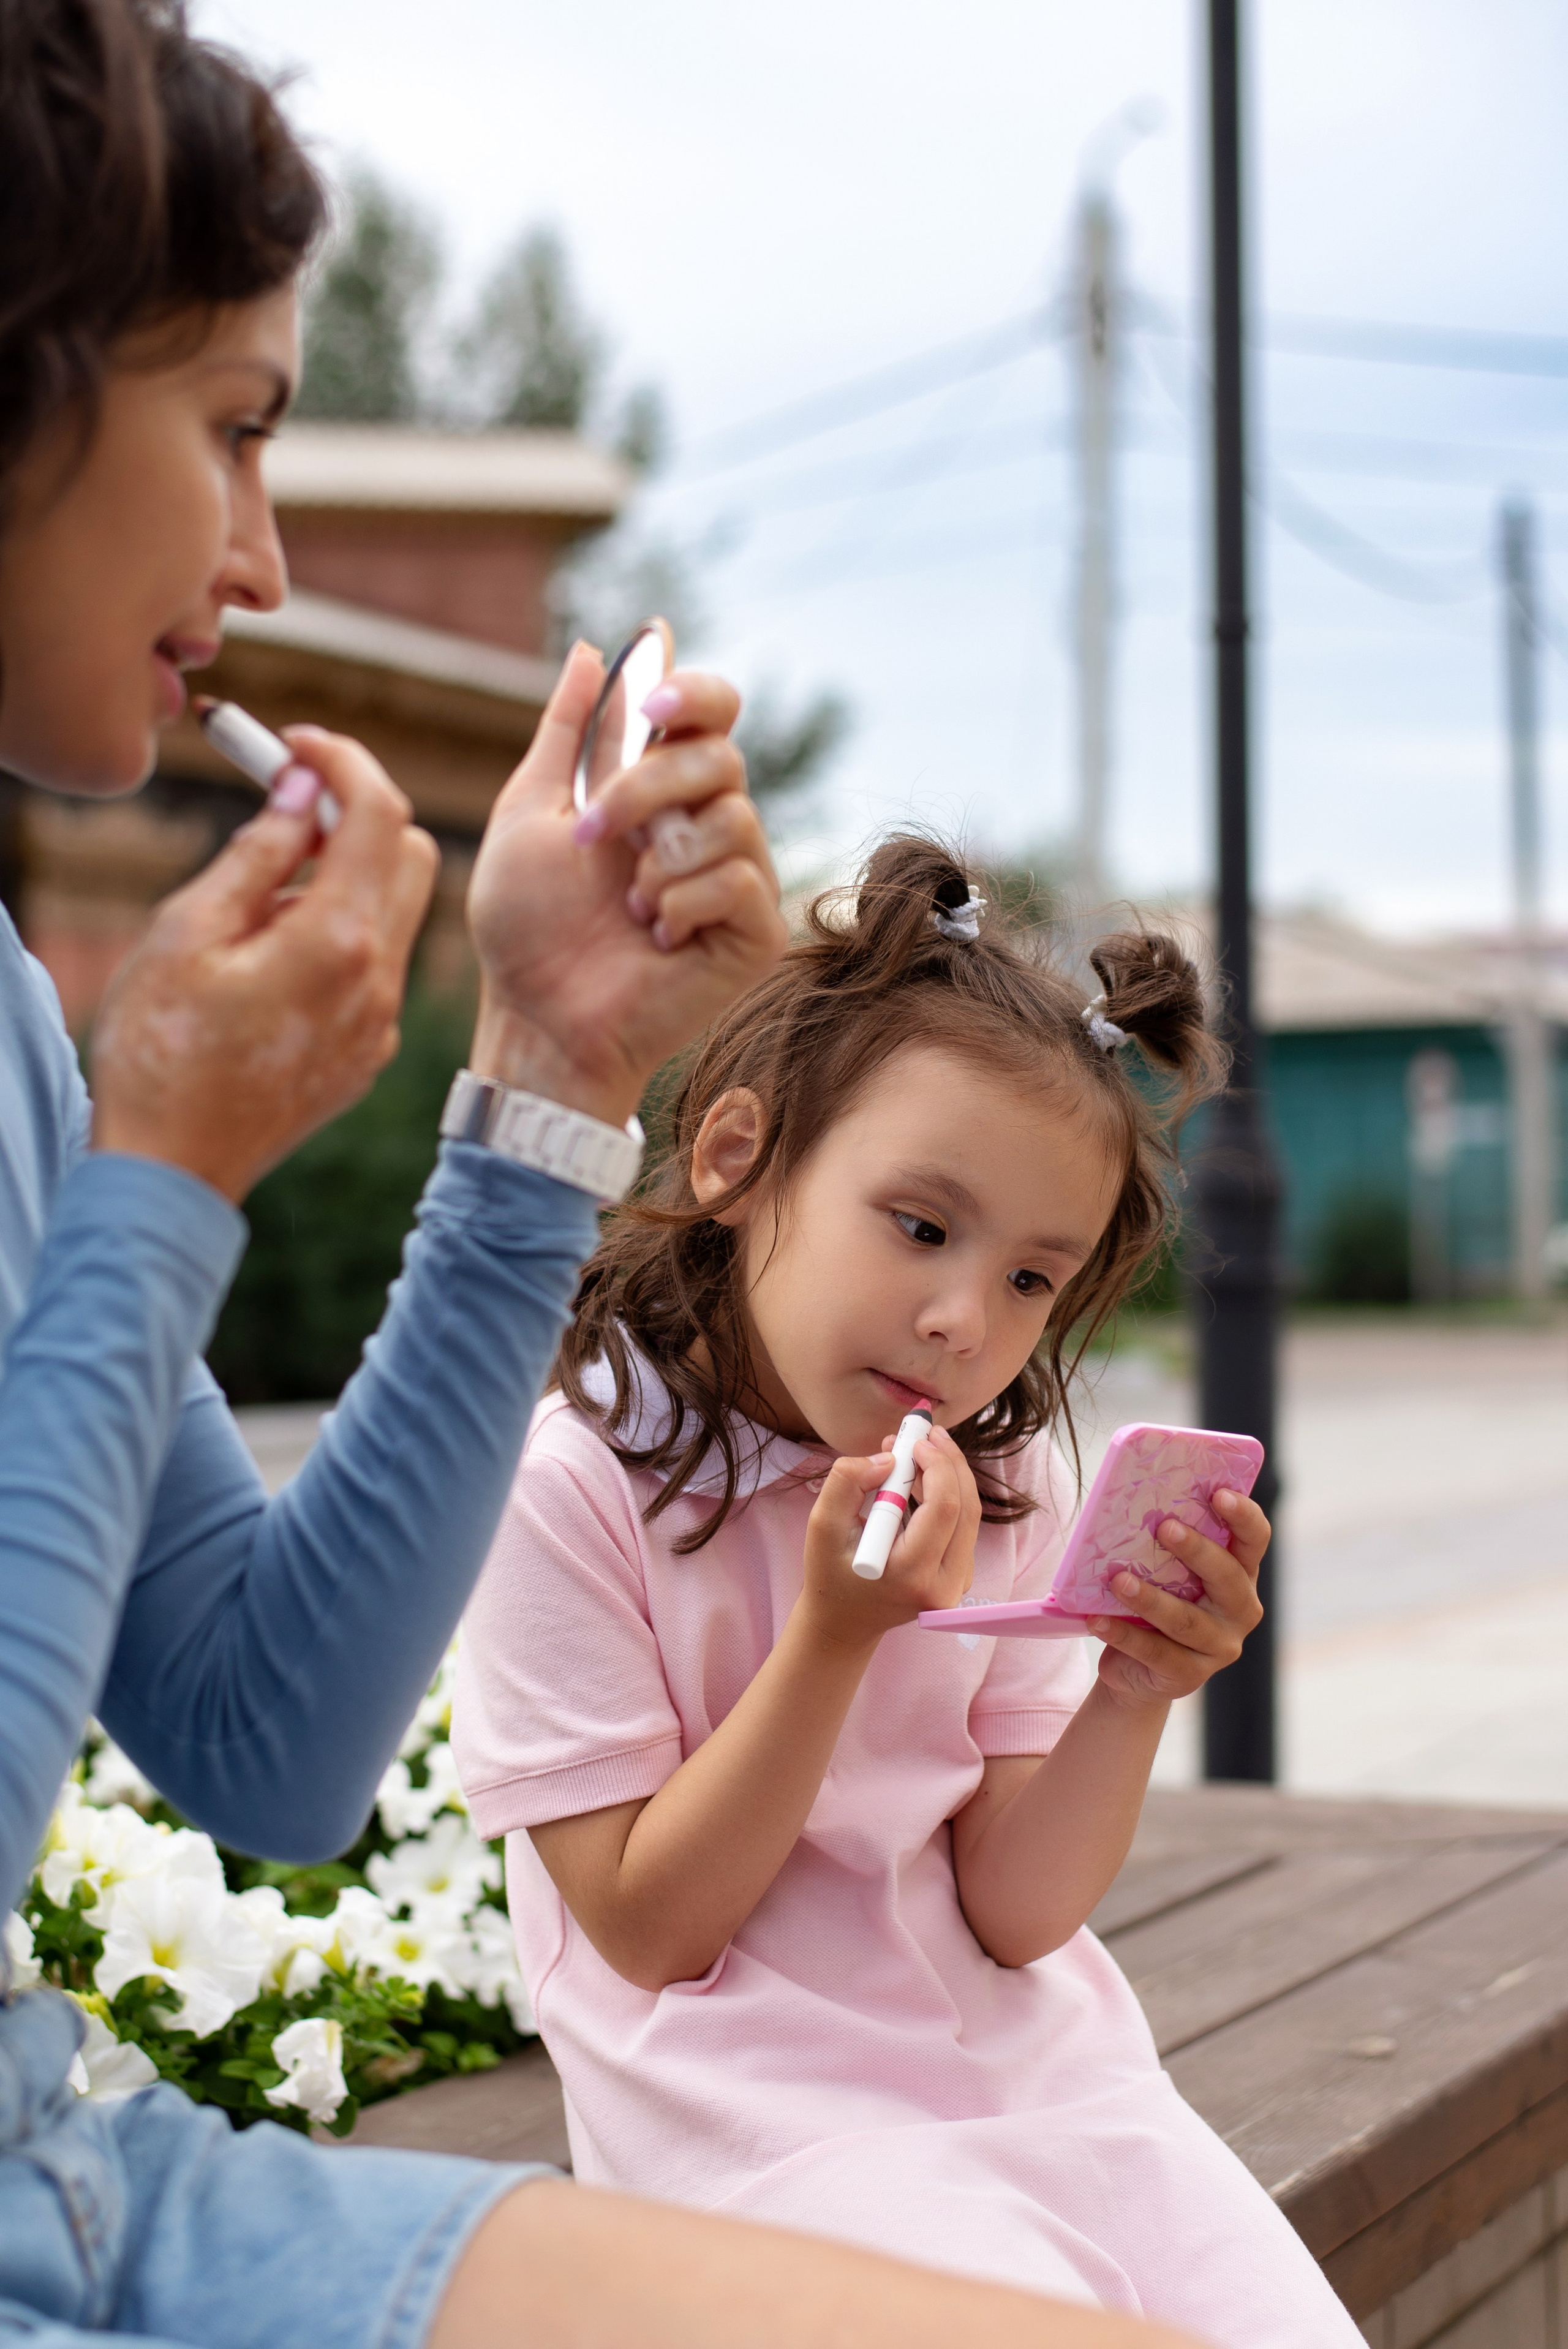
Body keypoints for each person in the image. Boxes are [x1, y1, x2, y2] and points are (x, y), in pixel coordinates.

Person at [0, 4, 1206, 2345]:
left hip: (80, 2170)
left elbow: (267, 1739)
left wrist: (545, 1084)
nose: (257, 550)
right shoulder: (93, 1092)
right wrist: (166, 1177)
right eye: (235, 424)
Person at [453, 835, 1365, 2347]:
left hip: (1049, 2084)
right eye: (921, 1227)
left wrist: (1132, 1688)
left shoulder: (1001, 1488)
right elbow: (647, 1932)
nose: (962, 1322)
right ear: (739, 1157)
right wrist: (832, 1638)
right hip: (753, 2123)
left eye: (1029, 1280)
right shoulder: (570, 1484)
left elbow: (1013, 1914)